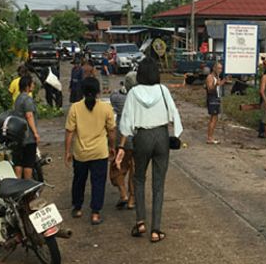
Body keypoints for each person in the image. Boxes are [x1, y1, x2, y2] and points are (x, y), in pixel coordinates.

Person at [116, 57, 183, 243]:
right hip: (161, 136)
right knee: (158, 184)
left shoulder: (133, 92)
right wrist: (176, 134)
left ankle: (140, 222)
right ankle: (156, 230)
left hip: (142, 137)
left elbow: (126, 122)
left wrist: (122, 144)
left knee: (138, 179)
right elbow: (174, 113)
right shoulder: (163, 90)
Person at [65, 77, 116, 225]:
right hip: (100, 153)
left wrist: (67, 152)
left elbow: (69, 132)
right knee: (98, 182)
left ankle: (78, 208)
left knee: (79, 180)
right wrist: (112, 147)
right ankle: (95, 213)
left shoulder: (75, 107)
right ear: (98, 92)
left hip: (80, 153)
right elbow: (111, 131)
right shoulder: (106, 108)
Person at [109, 72, 137, 210]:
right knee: (135, 169)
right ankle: (132, 198)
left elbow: (113, 95)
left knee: (118, 166)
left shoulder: (118, 98)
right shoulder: (140, 99)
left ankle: (123, 193)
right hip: (138, 138)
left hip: (122, 138)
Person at [12, 75, 40, 179]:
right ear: (27, 86)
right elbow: (29, 116)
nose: (33, 85)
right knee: (28, 163)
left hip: (18, 135)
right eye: (32, 84)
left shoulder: (18, 99)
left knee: (18, 162)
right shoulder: (27, 99)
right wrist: (35, 133)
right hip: (28, 136)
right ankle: (27, 187)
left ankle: (18, 184)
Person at [205, 62, 224, 145]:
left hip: (216, 98)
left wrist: (224, 80)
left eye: (221, 68)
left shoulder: (217, 77)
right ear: (214, 68)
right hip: (212, 99)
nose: (220, 70)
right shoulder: (210, 77)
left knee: (215, 118)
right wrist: (216, 84)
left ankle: (211, 137)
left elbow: (218, 85)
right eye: (219, 68)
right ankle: (209, 138)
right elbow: (210, 89)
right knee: (213, 118)